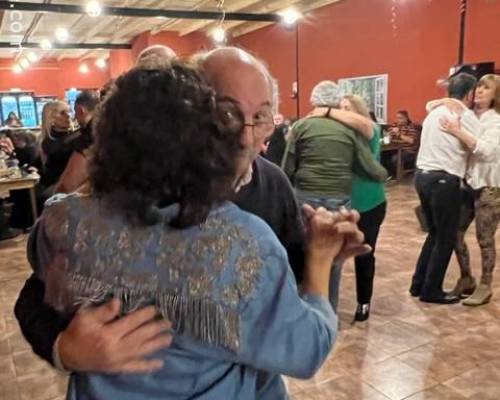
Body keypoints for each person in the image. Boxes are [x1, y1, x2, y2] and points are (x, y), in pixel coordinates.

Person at [15, 46, 368, 378]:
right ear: (189, 114)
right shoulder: (243, 236)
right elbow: (36, 297)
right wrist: (65, 351)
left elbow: (280, 289)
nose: (246, 136)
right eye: (228, 112)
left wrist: (320, 255)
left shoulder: (272, 183)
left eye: (261, 115)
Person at [282, 81, 387, 311]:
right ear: (337, 102)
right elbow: (368, 165)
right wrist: (381, 174)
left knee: (301, 250)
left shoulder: (301, 126)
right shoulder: (348, 129)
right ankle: (329, 312)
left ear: (313, 100)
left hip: (305, 197)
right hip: (339, 198)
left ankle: (300, 309)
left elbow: (288, 166)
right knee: (334, 255)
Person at [410, 72, 481, 304]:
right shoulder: (464, 115)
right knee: (446, 238)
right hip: (443, 180)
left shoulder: (435, 111)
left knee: (434, 233)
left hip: (422, 177)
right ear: (470, 94)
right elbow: (481, 145)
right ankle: (431, 291)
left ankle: (418, 284)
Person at [438, 73, 500, 305]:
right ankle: (466, 277)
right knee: (454, 233)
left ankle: (485, 285)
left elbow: (488, 151)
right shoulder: (471, 115)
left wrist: (458, 131)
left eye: (486, 88)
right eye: (479, 87)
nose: (480, 91)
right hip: (469, 184)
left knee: (485, 239)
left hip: (491, 186)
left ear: (496, 94)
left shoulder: (496, 120)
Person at [340, 95, 387, 321]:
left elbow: (367, 128)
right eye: (340, 109)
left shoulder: (371, 130)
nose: (343, 113)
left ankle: (364, 301)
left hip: (370, 202)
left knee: (364, 252)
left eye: (347, 109)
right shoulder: (340, 136)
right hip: (344, 203)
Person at [53, 90, 100, 194]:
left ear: (80, 110)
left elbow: (66, 187)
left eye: (73, 112)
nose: (71, 117)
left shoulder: (89, 134)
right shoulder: (113, 127)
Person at [38, 101, 80, 202]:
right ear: (51, 119)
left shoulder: (73, 136)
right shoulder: (49, 142)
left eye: (68, 112)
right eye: (62, 113)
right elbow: (62, 148)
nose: (68, 116)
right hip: (57, 185)